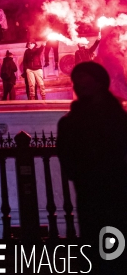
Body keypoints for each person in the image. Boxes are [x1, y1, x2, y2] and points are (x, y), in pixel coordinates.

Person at [57, 62, 127, 252]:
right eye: (77, 85)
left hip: (116, 190)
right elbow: (68, 159)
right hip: (90, 192)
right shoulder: (70, 123)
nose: (80, 88)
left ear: (99, 84)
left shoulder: (117, 118)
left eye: (85, 84)